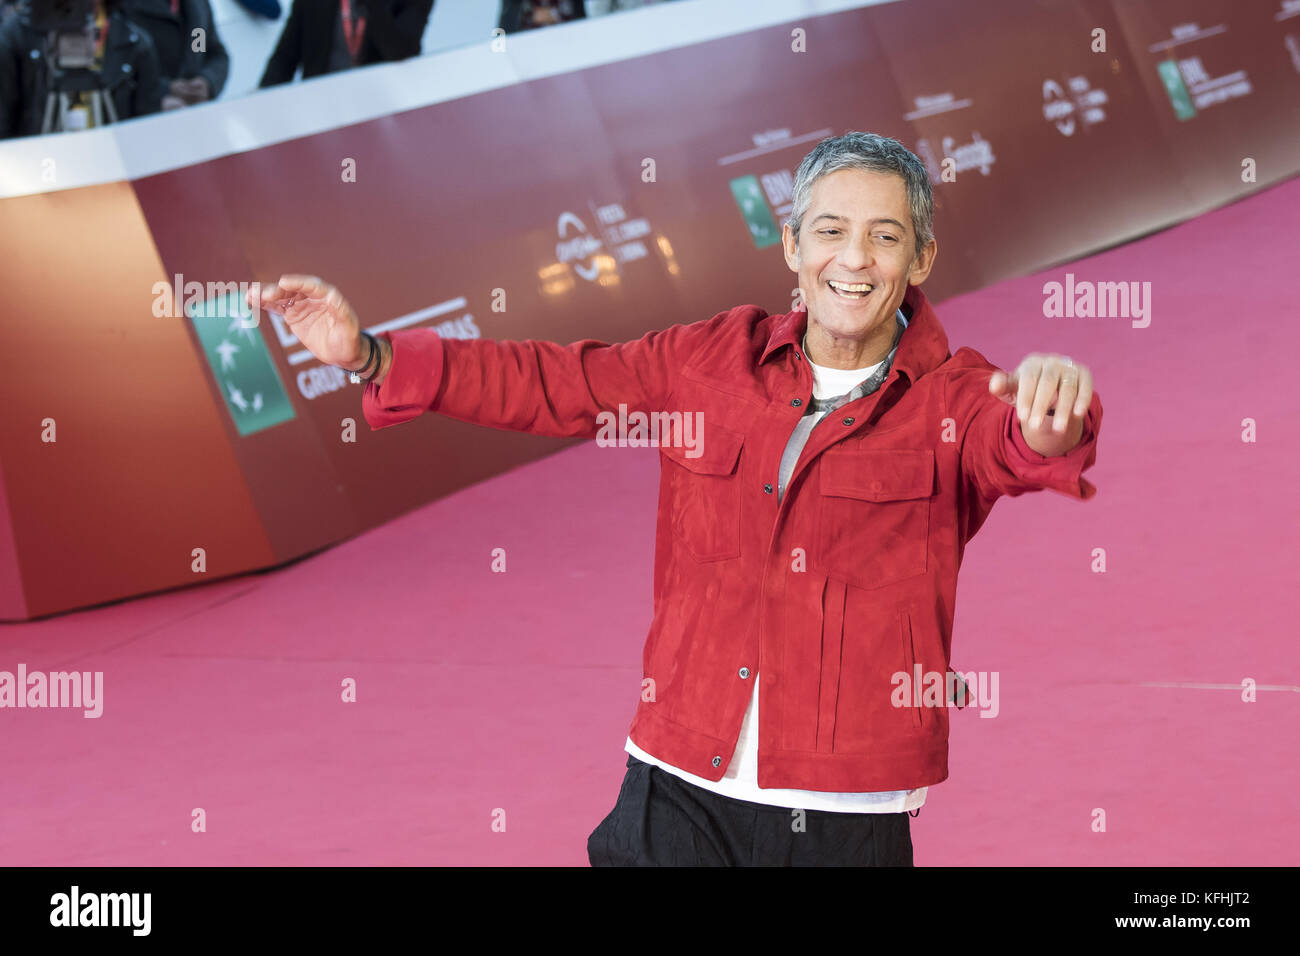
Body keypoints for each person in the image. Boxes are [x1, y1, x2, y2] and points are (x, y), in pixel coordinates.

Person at [246, 132, 1103, 866]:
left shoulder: (956, 397)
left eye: (884, 237)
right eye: (831, 231)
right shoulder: (707, 361)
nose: (854, 259)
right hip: (677, 777)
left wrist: (1052, 419)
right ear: (792, 244)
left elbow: (1021, 448)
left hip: (846, 812)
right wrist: (370, 357)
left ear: (919, 259)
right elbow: (556, 383)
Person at [0, 0, 162, 137]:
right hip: (37, 167)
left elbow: (146, 136)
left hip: (111, 166)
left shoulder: (135, 42)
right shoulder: (15, 38)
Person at [258, 0, 434, 88]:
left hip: (385, 110)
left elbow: (402, 51)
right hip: (323, 112)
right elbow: (284, 60)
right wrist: (260, 109)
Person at [118, 0, 226, 110]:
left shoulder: (198, 4)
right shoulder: (122, 7)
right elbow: (116, 67)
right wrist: (165, 90)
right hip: (149, 117)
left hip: (197, 112)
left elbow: (215, 53)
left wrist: (207, 81)